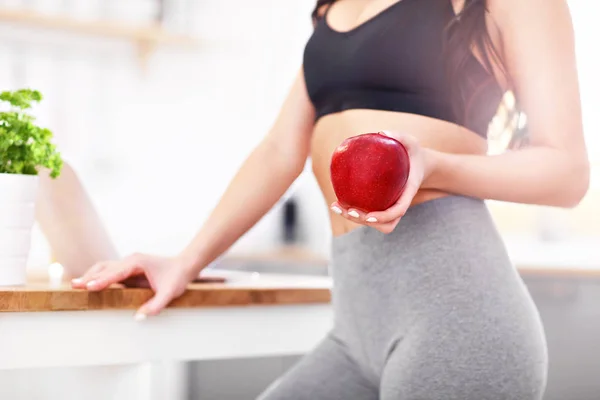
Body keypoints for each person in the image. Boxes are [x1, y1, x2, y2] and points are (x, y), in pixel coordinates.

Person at [72, 0, 589, 398]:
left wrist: (432, 165)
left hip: (456, 318)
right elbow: (280, 149)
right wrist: (186, 261)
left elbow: (567, 171)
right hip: (356, 324)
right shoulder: (333, 6)